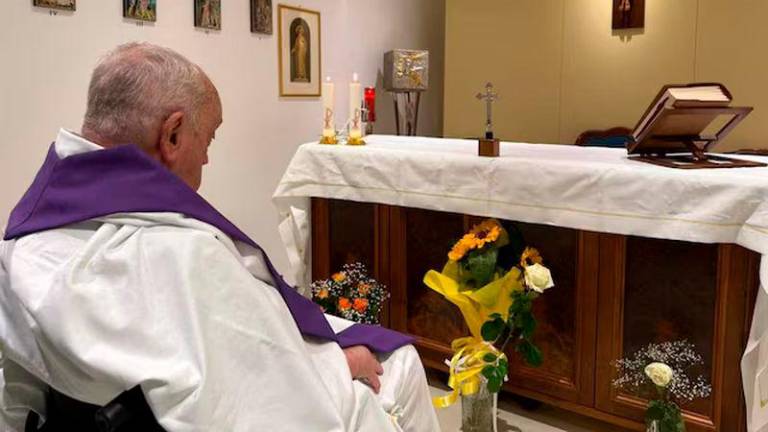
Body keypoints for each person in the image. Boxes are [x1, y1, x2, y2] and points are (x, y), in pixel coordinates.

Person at [0, 42, 439, 431]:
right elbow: (257, 390)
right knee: (401, 363)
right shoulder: (183, 254)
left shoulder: (26, 237)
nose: (207, 159)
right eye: (207, 138)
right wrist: (338, 363)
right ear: (171, 135)